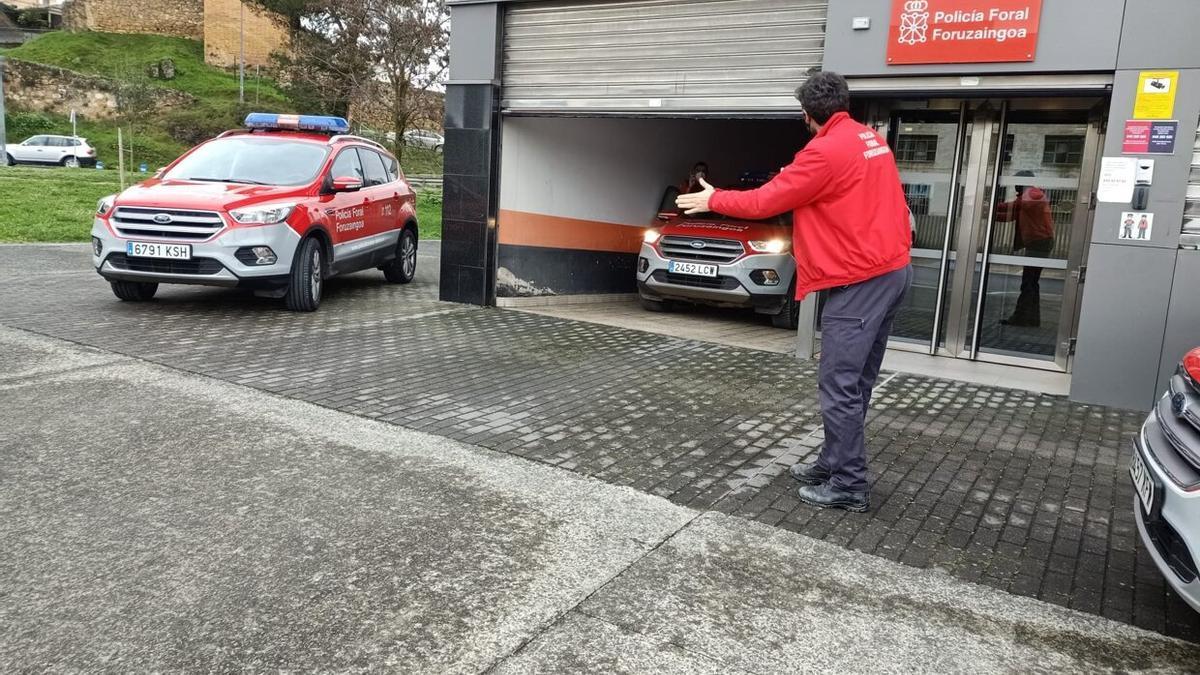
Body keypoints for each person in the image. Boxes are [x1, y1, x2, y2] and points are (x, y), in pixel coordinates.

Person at [676, 71, 912, 513]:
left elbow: (766, 202)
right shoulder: (867, 138)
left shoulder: (823, 151)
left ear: (806, 114)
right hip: (890, 271)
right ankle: (832, 461)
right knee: (857, 381)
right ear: (844, 104)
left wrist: (715, 199)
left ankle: (849, 485)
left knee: (839, 383)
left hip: (860, 279)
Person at [994, 170, 1054, 328]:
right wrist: (990, 213)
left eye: (1017, 182)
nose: (1015, 186)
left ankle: (1021, 318)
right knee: (1031, 283)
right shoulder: (1028, 195)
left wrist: (994, 205)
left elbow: (1016, 206)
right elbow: (1011, 214)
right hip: (1039, 241)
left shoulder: (1032, 193)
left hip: (1039, 242)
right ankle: (1031, 319)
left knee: (1028, 282)